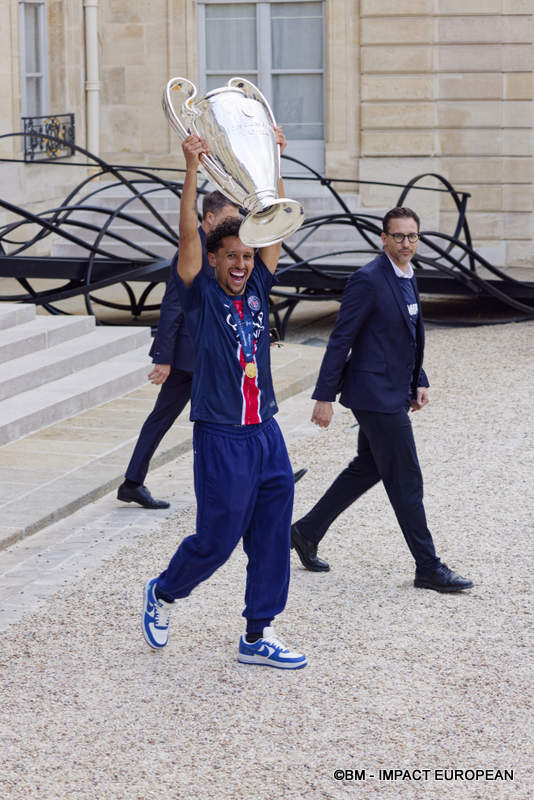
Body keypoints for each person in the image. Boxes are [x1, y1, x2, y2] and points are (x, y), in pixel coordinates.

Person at [141, 131, 307, 669]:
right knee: (217, 540)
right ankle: (164, 592)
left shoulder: (258, 284)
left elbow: (277, 221)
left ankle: (258, 635)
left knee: (271, 532)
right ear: (213, 260)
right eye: (230, 256)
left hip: (266, 432)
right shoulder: (200, 292)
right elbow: (188, 235)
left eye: (246, 255)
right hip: (221, 435)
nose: (240, 263)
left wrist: (274, 158)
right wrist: (190, 167)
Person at [291, 207, 473, 593]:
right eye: (398, 236)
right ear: (383, 238)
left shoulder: (408, 276)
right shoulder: (368, 279)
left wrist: (418, 378)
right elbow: (341, 338)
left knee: (368, 467)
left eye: (412, 237)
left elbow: (408, 334)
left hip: (393, 389)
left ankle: (305, 532)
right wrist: (324, 396)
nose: (405, 243)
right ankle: (428, 566)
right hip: (374, 395)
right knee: (406, 477)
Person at [117, 191, 240, 508]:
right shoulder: (192, 249)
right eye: (229, 219)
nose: (235, 225)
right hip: (192, 357)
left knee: (171, 417)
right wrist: (164, 358)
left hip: (204, 352)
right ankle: (262, 478)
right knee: (236, 412)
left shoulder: (216, 247)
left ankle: (132, 481)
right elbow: (173, 304)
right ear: (209, 218)